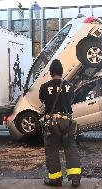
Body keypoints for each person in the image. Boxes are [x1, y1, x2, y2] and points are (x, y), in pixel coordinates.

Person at [39, 59, 81, 187]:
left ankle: (56, 179)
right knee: (71, 148)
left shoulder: (45, 86)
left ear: (51, 72)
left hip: (51, 123)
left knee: (52, 150)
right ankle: (75, 179)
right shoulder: (70, 86)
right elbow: (72, 99)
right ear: (62, 72)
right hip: (67, 121)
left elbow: (42, 100)